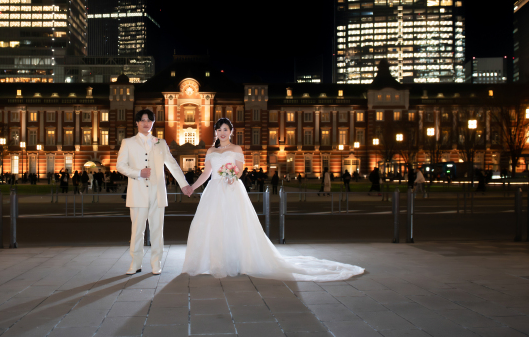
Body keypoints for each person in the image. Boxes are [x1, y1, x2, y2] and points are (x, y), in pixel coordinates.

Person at [183, 118, 363, 281]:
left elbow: (240, 170)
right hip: (214, 191)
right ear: (215, 132)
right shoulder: (211, 151)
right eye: (219, 130)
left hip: (231, 189)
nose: (222, 133)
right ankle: (215, 261)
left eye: (225, 129)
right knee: (212, 225)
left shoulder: (236, 149)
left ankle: (240, 261)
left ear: (231, 131)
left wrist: (233, 177)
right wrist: (192, 186)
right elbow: (206, 173)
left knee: (236, 225)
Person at [117, 109, 193, 275]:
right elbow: (120, 166)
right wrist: (138, 173)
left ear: (153, 123)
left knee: (157, 230)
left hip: (157, 193)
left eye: (149, 120)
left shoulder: (161, 143)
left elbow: (172, 165)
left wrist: (184, 185)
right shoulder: (128, 143)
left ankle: (156, 263)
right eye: (142, 120)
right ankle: (135, 263)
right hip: (137, 193)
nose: (146, 123)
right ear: (137, 123)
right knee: (137, 230)